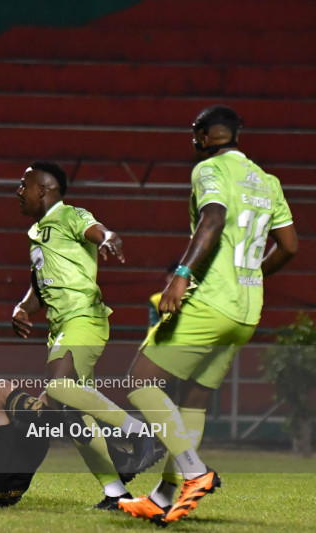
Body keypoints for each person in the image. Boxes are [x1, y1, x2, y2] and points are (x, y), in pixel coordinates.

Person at [119, 105, 298, 525]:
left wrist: (180, 276)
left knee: (139, 381)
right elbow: (290, 246)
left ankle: (193, 471)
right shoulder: (267, 180)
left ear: (201, 135)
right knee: (194, 399)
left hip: (212, 301)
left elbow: (213, 218)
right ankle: (164, 497)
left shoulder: (209, 170)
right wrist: (251, 276)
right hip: (246, 312)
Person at [11, 162, 163, 510]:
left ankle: (142, 434)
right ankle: (116, 493)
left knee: (58, 388)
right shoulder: (36, 233)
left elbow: (99, 231)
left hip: (83, 318)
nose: (18, 191)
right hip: (60, 326)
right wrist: (21, 308)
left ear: (44, 189)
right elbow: (38, 291)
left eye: (24, 184)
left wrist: (109, 239)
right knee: (74, 415)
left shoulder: (70, 215)